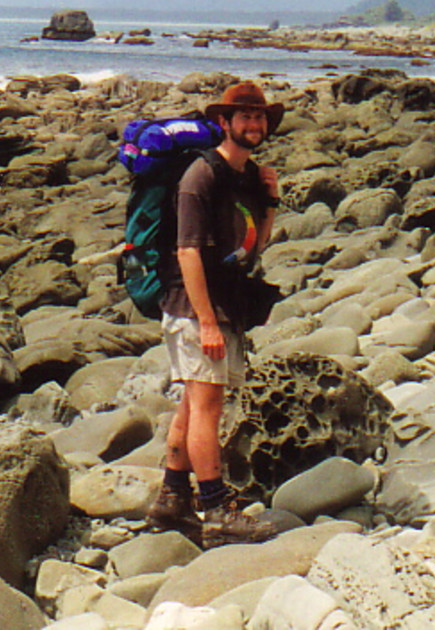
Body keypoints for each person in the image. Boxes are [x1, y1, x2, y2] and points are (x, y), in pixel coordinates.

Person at [146, 80, 287, 545]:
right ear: (223, 123)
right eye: (244, 117)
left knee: (194, 403)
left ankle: (172, 499)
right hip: (194, 308)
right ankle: (216, 510)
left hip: (226, 304)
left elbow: (254, 246)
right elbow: (187, 253)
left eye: (259, 117)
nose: (254, 124)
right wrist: (205, 321)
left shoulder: (248, 175)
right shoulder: (200, 177)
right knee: (208, 407)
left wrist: (269, 202)